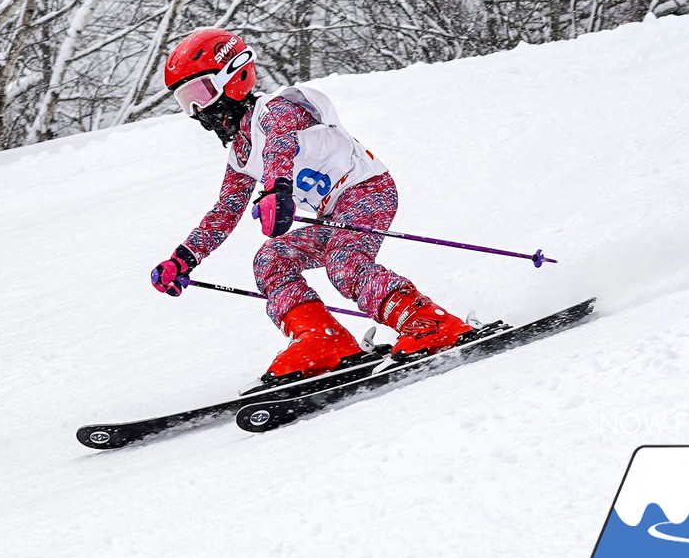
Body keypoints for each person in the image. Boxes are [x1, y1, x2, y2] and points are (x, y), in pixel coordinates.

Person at [150, 28, 472, 385]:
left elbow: (280, 145)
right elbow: (224, 211)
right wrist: (184, 257)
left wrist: (276, 189)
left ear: (235, 76)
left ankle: (432, 323)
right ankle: (323, 341)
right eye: (185, 101)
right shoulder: (240, 153)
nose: (198, 111)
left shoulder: (278, 110)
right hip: (333, 215)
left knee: (344, 264)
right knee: (272, 258)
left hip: (367, 191)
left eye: (201, 93)